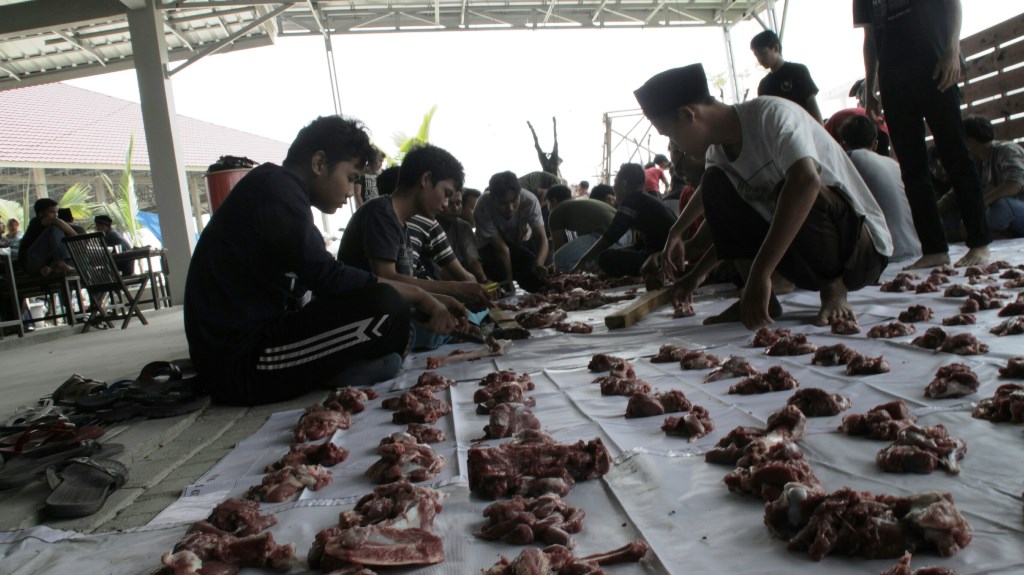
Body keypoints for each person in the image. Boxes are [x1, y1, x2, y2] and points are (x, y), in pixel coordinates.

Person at [184, 116, 458, 406]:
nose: (351, 192)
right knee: (387, 306)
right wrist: (418, 295)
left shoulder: (282, 190)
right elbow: (327, 277)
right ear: (319, 163)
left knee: (393, 317)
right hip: (239, 364)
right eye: (351, 178)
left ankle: (336, 368)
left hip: (257, 341)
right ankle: (328, 371)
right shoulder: (276, 188)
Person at [635, 63, 892, 329]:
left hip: (859, 253)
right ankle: (761, 297)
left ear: (688, 115)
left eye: (670, 135)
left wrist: (762, 271)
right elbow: (724, 219)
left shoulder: (771, 115)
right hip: (805, 260)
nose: (675, 146)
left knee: (795, 186)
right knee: (714, 182)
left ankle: (834, 290)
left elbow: (806, 181)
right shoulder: (718, 154)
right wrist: (679, 237)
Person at [855, 0, 990, 268]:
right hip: (893, 81)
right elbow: (870, 39)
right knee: (911, 167)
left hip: (936, 65)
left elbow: (952, 4)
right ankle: (934, 249)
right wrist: (870, 88)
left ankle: (979, 243)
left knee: (955, 154)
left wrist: (952, 49)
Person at [338, 143, 491, 313]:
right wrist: (455, 289)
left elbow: (406, 289)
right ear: (425, 179)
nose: (445, 204)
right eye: (446, 194)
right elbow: (387, 279)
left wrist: (446, 301)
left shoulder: (401, 224)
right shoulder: (380, 212)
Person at [571, 163, 677, 277]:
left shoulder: (632, 202)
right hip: (666, 253)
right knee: (610, 255)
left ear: (624, 184)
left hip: (663, 257)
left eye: (615, 183)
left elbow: (610, 236)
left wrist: (582, 260)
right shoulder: (645, 199)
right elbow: (638, 245)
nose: (613, 187)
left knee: (605, 258)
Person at [841, 115, 922, 261]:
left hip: (888, 254)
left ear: (844, 145)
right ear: (875, 144)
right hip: (917, 248)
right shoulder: (893, 163)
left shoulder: (849, 158)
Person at [940, 116, 1024, 238]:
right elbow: (955, 194)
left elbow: (1015, 184)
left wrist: (980, 205)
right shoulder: (976, 161)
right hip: (994, 216)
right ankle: (994, 234)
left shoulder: (1006, 150)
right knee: (950, 216)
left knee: (1002, 206)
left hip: (1016, 210)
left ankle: (969, 234)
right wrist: (935, 211)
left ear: (969, 142)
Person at [474, 171, 549, 293]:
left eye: (514, 201)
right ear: (493, 199)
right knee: (500, 282)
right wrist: (509, 282)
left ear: (519, 194)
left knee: (534, 274)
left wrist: (539, 263)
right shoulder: (483, 206)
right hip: (491, 247)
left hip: (521, 241)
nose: (510, 208)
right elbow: (502, 249)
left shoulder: (530, 201)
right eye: (503, 203)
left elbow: (542, 237)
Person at [750, 30, 824, 124]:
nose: (760, 59)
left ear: (776, 48)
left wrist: (821, 131)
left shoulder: (798, 71)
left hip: (805, 129)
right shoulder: (764, 85)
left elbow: (812, 104)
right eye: (756, 55)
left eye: (763, 53)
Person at [545, 184, 620, 272]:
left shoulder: (555, 213)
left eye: (547, 204)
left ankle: (579, 279)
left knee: (559, 259)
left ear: (553, 201)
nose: (548, 208)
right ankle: (594, 271)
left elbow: (558, 247)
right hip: (624, 235)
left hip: (609, 236)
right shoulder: (578, 204)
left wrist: (555, 267)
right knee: (585, 259)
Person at [17, 198, 78, 277]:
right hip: (30, 263)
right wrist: (76, 236)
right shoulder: (36, 221)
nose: (55, 215)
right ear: (41, 213)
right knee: (55, 228)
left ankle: (53, 268)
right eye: (52, 212)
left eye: (56, 212)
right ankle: (60, 263)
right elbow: (57, 222)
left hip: (44, 264)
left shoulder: (56, 233)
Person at [438, 189, 488, 282]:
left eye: (458, 203)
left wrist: (483, 280)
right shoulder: (428, 226)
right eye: (450, 203)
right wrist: (464, 284)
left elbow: (472, 260)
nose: (455, 208)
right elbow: (437, 269)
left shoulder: (464, 227)